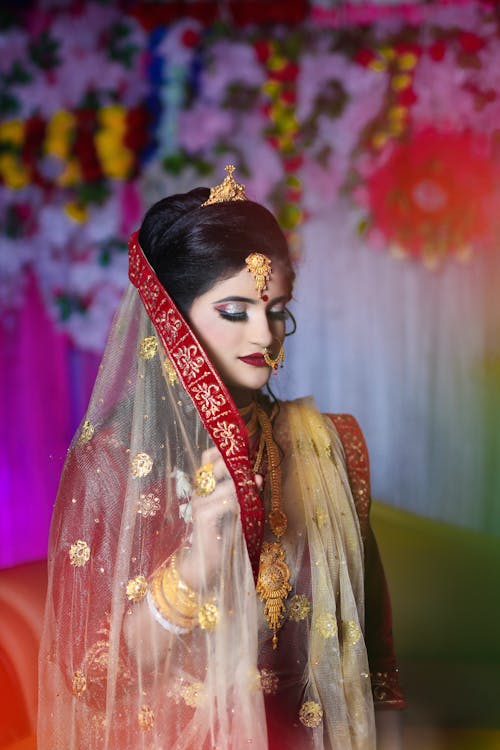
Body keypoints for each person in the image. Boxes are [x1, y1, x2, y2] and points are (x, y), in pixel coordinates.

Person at [38, 166, 405, 749]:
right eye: (236, 311)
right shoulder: (110, 463)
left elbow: (377, 667)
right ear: (171, 323)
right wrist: (195, 569)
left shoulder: (329, 447)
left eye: (277, 310)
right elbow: (89, 676)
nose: (265, 336)